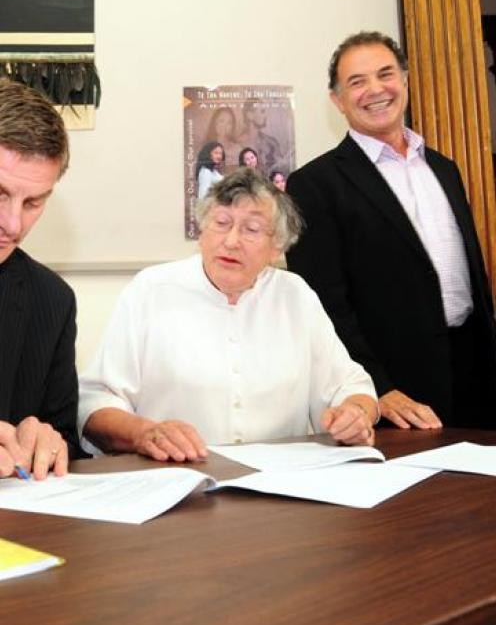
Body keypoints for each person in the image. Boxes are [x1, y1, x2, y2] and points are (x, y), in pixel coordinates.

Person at [79, 168, 378, 462]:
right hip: (178, 478)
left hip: (281, 485)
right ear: (202, 232)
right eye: (221, 223)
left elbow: (350, 387)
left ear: (277, 247)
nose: (232, 241)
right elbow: (95, 403)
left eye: (251, 229)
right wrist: (144, 433)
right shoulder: (151, 290)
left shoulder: (295, 295)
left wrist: (356, 414)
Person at [286, 31, 496, 430]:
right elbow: (323, 306)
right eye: (357, 82)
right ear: (337, 100)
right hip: (395, 394)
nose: (375, 89)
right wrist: (375, 388)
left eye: (385, 74)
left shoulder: (444, 168)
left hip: (475, 377)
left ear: (405, 81)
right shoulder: (313, 185)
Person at [0, 78, 85, 480]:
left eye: (33, 202)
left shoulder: (50, 300)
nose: (13, 224)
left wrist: (48, 441)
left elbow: (65, 434)